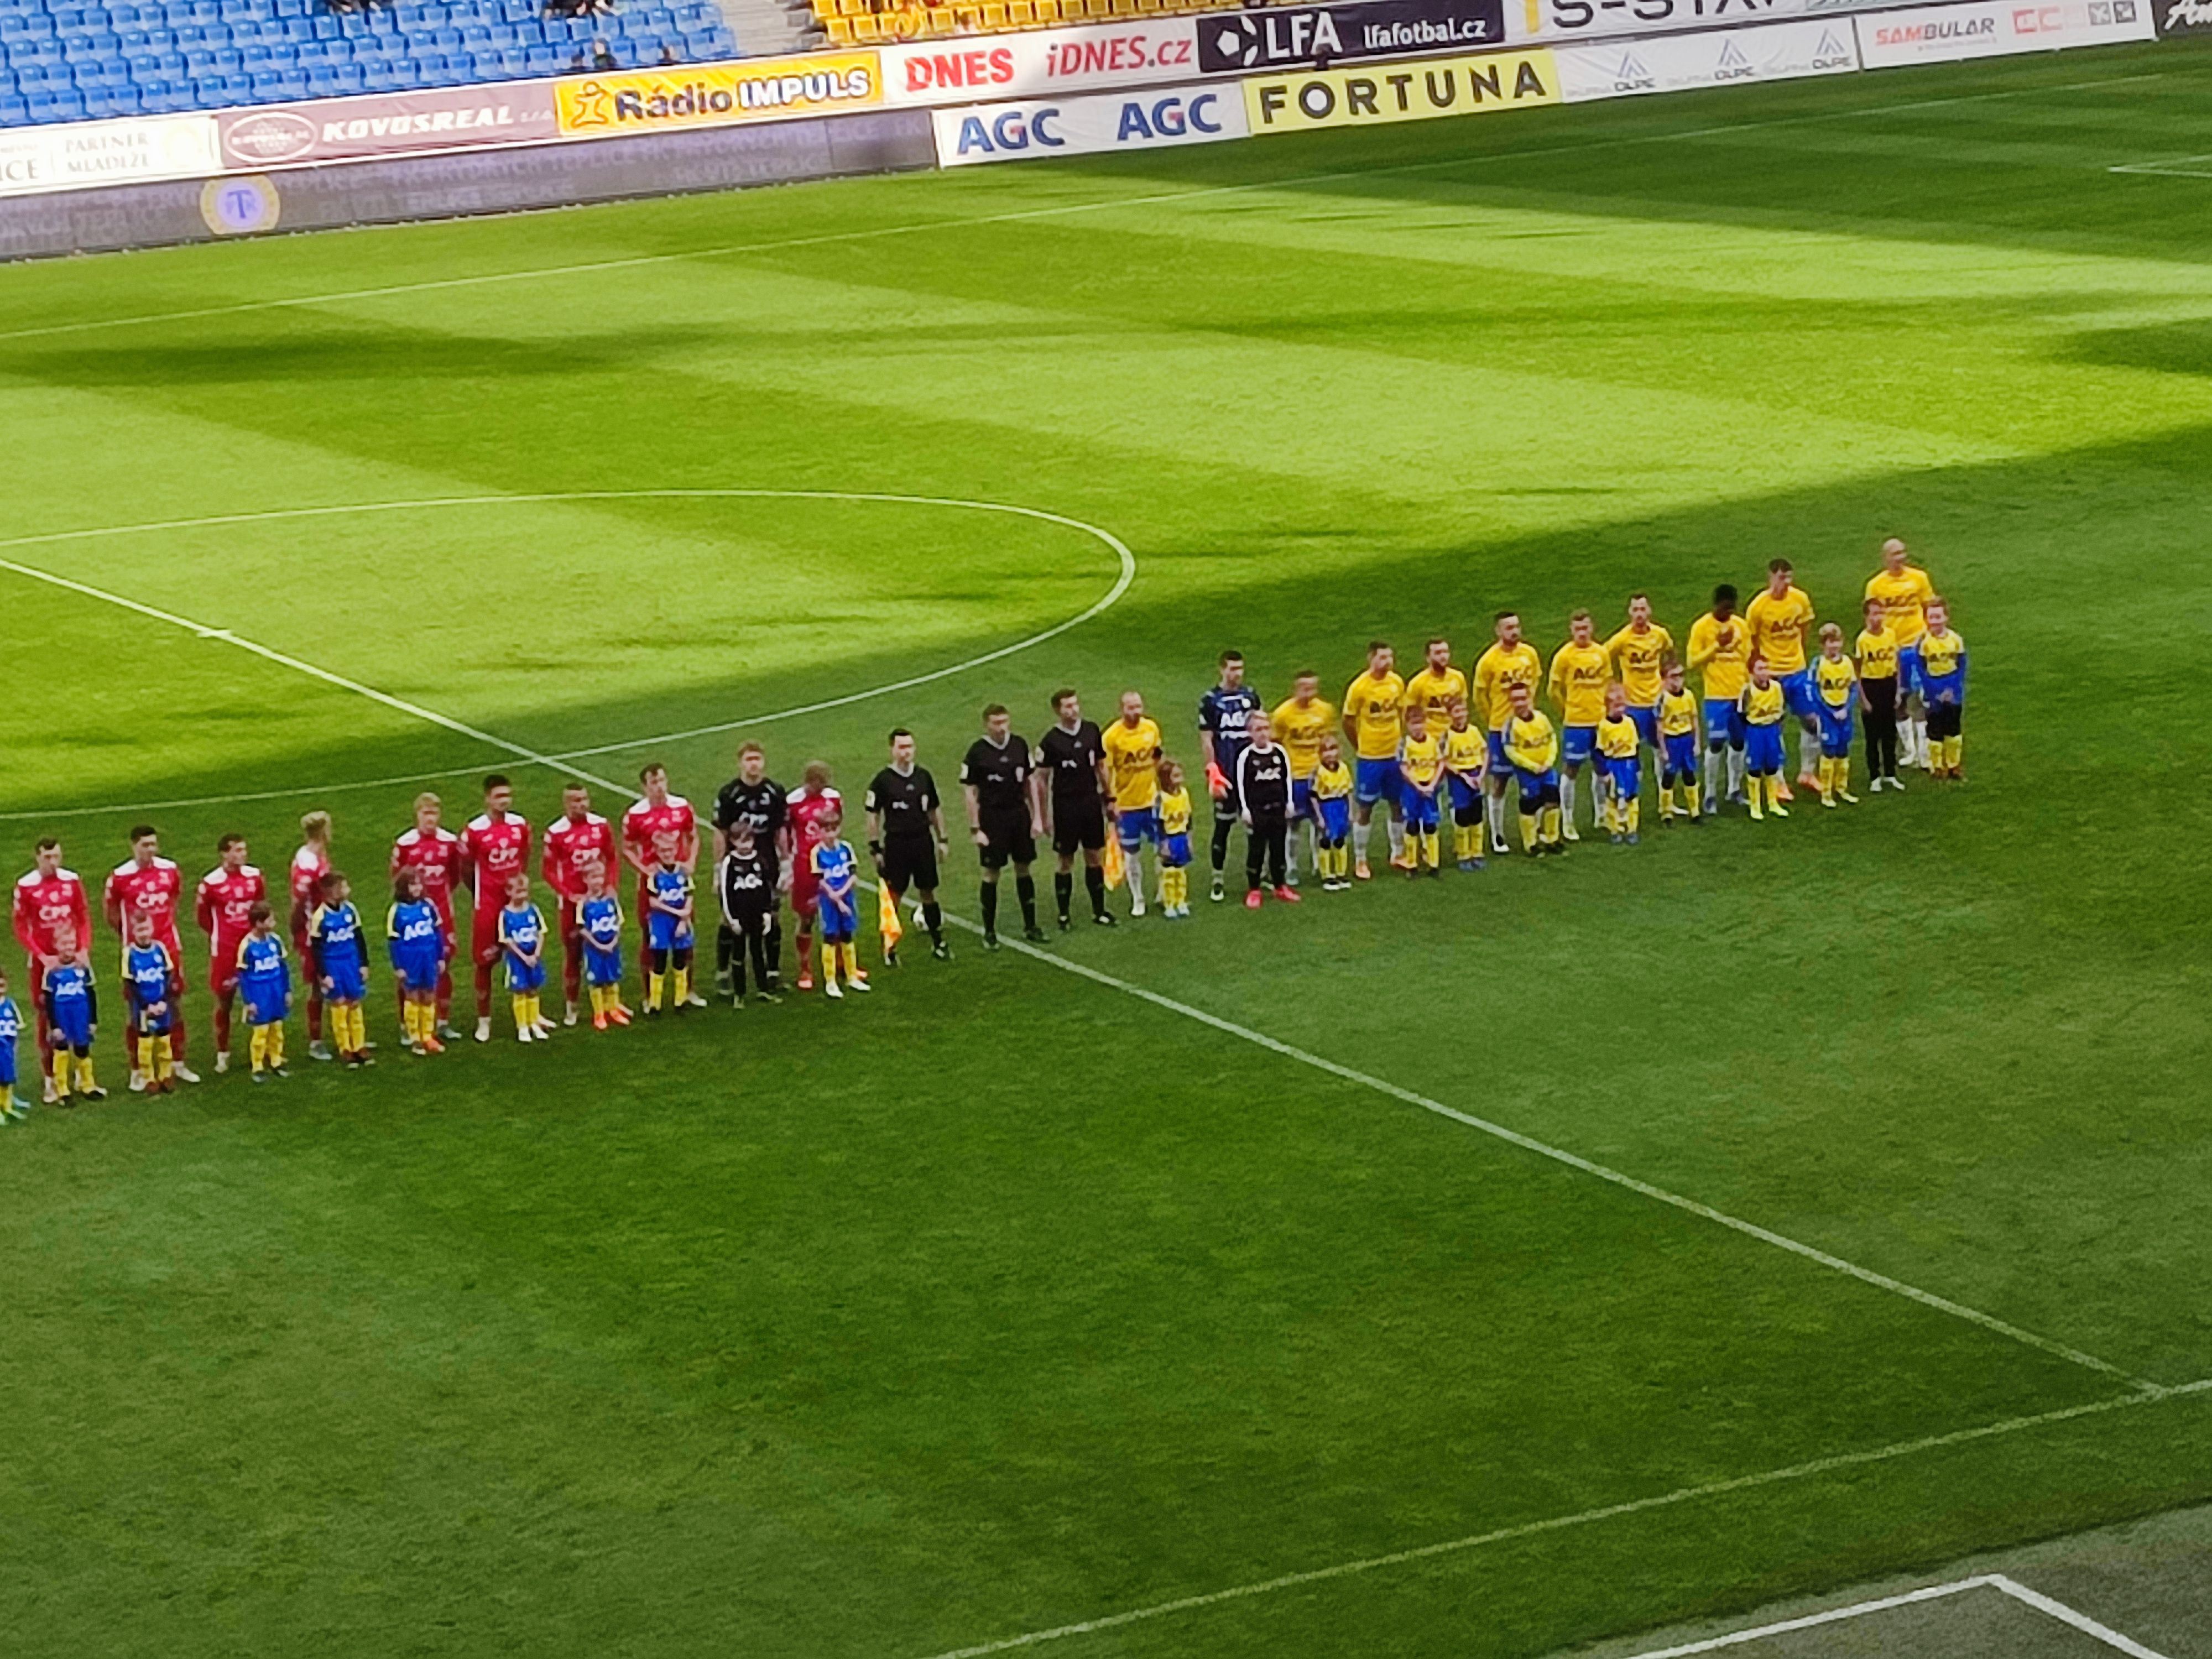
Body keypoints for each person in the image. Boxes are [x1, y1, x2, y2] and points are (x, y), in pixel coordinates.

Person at [104, 824, 198, 1089]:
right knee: (136, 1011)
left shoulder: (169, 870)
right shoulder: (120, 877)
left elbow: (174, 900)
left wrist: (165, 932)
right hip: (136, 955)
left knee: (174, 1004)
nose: (151, 850)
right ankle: (138, 1068)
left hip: (168, 948)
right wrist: (131, 938)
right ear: (134, 846)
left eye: (154, 844)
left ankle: (176, 1063)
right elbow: (111, 913)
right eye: (145, 845)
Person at [15, 838, 92, 1105]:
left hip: (72, 958)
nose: (53, 862)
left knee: (81, 1008)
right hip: (44, 963)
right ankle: (50, 1078)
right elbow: (21, 926)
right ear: (37, 857)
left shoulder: (72, 881)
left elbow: (83, 916)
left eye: (57, 856)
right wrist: (42, 957)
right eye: (48, 857)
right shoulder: (26, 886)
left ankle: (84, 1075)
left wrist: (83, 948)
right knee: (45, 1015)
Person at [962, 706, 1046, 947]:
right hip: (992, 817)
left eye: (1005, 722)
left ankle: (1031, 926)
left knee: (1024, 867)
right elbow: (970, 792)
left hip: (1019, 814)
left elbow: (1031, 782)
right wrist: (976, 828)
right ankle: (989, 931)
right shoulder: (977, 753)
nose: (1001, 727)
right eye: (996, 723)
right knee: (992, 872)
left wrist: (1037, 817)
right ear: (987, 725)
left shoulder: (1019, 745)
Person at [867, 728, 952, 959]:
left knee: (928, 892)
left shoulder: (923, 777)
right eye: (901, 747)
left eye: (910, 747)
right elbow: (873, 815)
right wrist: (875, 847)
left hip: (922, 841)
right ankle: (890, 947)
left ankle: (938, 942)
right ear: (892, 750)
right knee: (895, 895)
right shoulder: (883, 781)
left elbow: (934, 809)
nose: (906, 752)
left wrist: (942, 839)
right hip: (896, 843)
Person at [462, 776, 534, 1042]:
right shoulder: (474, 831)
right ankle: (484, 1020)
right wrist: (479, 891)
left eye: (508, 795)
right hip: (489, 904)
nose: (504, 800)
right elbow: (466, 868)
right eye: (499, 796)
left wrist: (519, 889)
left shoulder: (520, 826)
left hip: (516, 903)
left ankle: (531, 1016)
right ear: (488, 799)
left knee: (527, 954)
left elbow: (525, 856)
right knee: (485, 962)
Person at [712, 744, 787, 998]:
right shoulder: (729, 794)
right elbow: (720, 832)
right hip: (735, 863)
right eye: (748, 759)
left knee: (771, 914)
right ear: (740, 763)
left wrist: (786, 863)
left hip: (766, 861)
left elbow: (780, 830)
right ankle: (723, 972)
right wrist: (718, 868)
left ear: (763, 762)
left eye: (757, 759)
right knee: (730, 917)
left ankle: (772, 972)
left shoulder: (775, 792)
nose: (753, 764)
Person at [1035, 691, 1114, 929]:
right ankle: (1064, 915)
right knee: (1065, 859)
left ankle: (1099, 910)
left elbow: (1101, 766)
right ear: (1058, 711)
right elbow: (1042, 779)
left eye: (1075, 704)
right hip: (1065, 806)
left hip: (1090, 802)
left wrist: (1110, 798)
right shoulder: (1051, 740)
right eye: (1068, 706)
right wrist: (1043, 815)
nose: (1074, 709)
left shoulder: (1091, 730)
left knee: (1094, 856)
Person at [540, 782, 617, 1025]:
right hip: (573, 906)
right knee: (573, 954)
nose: (582, 804)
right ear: (566, 804)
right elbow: (548, 871)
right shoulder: (556, 832)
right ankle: (572, 1006)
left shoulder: (601, 825)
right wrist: (569, 895)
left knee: (608, 947)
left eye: (584, 799)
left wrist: (611, 886)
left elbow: (612, 857)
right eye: (576, 800)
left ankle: (610, 1004)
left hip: (600, 902)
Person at [390, 794, 463, 1039]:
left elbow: (454, 876)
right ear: (417, 815)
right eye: (425, 813)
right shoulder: (405, 844)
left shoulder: (450, 842)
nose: (430, 818)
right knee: (408, 970)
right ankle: (406, 1024)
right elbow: (397, 879)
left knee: (443, 964)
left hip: (441, 910)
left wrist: (436, 901)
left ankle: (441, 1021)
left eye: (434, 813)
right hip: (412, 915)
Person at [1746, 559, 1819, 799]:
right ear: (1771, 577)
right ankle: (1777, 781)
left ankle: (1807, 773)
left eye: (1789, 578)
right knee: (1773, 726)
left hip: (1797, 671)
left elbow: (1804, 629)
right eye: (1781, 578)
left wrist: (1798, 655)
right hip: (1773, 675)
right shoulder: (1758, 607)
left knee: (1812, 722)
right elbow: (1754, 642)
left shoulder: (1800, 599)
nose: (1786, 583)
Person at [1474, 613, 1545, 856]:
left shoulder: (1529, 654)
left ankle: (1534, 832)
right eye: (1508, 628)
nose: (1514, 631)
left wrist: (1529, 708)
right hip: (1500, 730)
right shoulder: (1489, 660)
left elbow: (1535, 680)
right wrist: (1494, 720)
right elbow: (1479, 696)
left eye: (1516, 626)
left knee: (1533, 780)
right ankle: (1497, 834)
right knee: (1500, 782)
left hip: (1526, 728)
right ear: (1498, 631)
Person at [196, 833, 267, 1076]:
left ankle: (264, 1049)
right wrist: (221, 934)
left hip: (253, 949)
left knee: (260, 996)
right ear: (224, 854)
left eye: (244, 849)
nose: (243, 854)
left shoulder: (255, 877)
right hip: (225, 951)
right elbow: (203, 917)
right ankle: (223, 1052)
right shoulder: (210, 883)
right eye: (237, 850)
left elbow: (261, 909)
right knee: (224, 1001)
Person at [1864, 538, 1937, 771]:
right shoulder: (1876, 585)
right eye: (1895, 554)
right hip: (1891, 650)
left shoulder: (1919, 578)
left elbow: (1929, 607)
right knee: (1898, 700)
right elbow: (1872, 616)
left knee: (1920, 699)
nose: (1901, 557)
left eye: (1903, 552)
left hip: (1916, 646)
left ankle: (1925, 753)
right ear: (1885, 557)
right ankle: (1909, 750)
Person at [1198, 651, 1264, 905]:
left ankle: (1256, 877)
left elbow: (1261, 728)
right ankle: (1218, 878)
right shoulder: (1211, 700)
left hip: (1250, 772)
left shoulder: (1251, 696)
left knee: (1255, 826)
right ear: (1222, 669)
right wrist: (1212, 772)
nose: (1237, 674)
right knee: (1223, 826)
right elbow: (1207, 739)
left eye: (1240, 669)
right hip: (1226, 773)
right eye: (1233, 669)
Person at [622, 763, 697, 984]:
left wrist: (690, 861)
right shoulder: (635, 814)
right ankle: (649, 994)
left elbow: (693, 836)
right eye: (654, 782)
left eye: (663, 780)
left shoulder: (682, 807)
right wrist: (645, 870)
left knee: (686, 933)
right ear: (645, 787)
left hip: (679, 881)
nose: (660, 787)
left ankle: (687, 990)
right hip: (652, 885)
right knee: (650, 937)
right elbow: (627, 848)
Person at [1341, 642, 1407, 879]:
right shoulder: (1359, 687)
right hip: (1370, 758)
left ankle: (1398, 853)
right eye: (1382, 657)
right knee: (1366, 808)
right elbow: (1348, 720)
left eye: (1390, 657)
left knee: (1397, 804)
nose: (1387, 662)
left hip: (1394, 755)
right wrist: (1360, 746)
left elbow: (1402, 711)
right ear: (1371, 659)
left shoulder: (1397, 682)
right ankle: (1360, 860)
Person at [1606, 594, 1673, 823]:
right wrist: (1614, 685)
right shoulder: (1622, 639)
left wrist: (1667, 679)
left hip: (1656, 702)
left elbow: (1671, 653)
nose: (1639, 614)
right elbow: (1604, 658)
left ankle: (1666, 802)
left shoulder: (1660, 635)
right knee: (1630, 756)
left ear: (1649, 611)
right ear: (1630, 613)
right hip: (1633, 706)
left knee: (1662, 752)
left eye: (1643, 609)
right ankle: (1627, 802)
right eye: (1635, 610)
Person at [1687, 585, 1753, 815]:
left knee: (1738, 743)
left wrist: (1749, 689)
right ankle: (1710, 794)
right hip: (1716, 697)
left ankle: (1735, 790)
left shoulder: (1740, 626)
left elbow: (1746, 658)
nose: (1729, 613)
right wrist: (1717, 646)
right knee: (1716, 744)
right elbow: (1692, 661)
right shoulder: (1702, 627)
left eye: (1732, 609)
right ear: (1716, 605)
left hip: (1739, 695)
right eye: (1725, 609)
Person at [1547, 611, 1611, 842]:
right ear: (1571, 630)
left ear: (1592, 628)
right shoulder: (1564, 656)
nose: (1582, 633)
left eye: (1585, 628)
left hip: (1600, 721)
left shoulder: (1601, 653)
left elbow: (1607, 683)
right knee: (1571, 769)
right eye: (1578, 629)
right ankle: (1568, 820)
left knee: (1603, 769)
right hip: (1576, 723)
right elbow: (1553, 690)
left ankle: (1602, 815)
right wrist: (1567, 711)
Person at [1269, 671, 1336, 886]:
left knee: (1320, 823)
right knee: (1293, 823)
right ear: (1296, 689)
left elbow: (1328, 741)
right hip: (1295, 775)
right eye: (1305, 688)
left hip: (1319, 775)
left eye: (1313, 688)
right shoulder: (1283, 714)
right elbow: (1275, 743)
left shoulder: (1325, 710)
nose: (1309, 693)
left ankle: (1319, 863)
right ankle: (1292, 866)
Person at [1100, 692, 1162, 921]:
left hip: (1151, 800)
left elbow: (1157, 757)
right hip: (1127, 805)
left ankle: (1163, 890)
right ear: (1122, 709)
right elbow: (1105, 770)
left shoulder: (1151, 728)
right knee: (1131, 854)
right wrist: (1111, 799)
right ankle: (1137, 898)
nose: (1135, 711)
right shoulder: (1112, 737)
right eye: (1130, 708)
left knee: (1161, 848)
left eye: (1138, 706)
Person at [785, 763, 843, 991]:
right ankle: (805, 966)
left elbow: (838, 826)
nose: (822, 787)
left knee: (836, 912)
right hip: (805, 867)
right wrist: (788, 864)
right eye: (817, 783)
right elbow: (786, 834)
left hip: (830, 864)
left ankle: (840, 961)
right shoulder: (793, 802)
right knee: (806, 917)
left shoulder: (834, 798)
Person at [309, 872, 372, 1067]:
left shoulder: (350, 910)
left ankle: (359, 1044)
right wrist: (324, 974)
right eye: (343, 887)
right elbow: (316, 947)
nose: (347, 890)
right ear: (331, 891)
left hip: (351, 962)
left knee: (354, 1001)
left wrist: (364, 964)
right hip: (334, 964)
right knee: (339, 1003)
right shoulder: (320, 916)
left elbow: (359, 938)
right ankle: (345, 1047)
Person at [1235, 711, 1296, 906]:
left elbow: (1287, 779)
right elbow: (1241, 784)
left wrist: (1289, 802)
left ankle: (1280, 886)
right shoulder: (1246, 755)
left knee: (1279, 848)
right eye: (1258, 729)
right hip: (1257, 810)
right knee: (1257, 850)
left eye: (1265, 728)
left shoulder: (1279, 752)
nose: (1263, 733)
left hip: (1278, 809)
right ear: (1250, 733)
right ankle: (1254, 889)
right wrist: (1244, 809)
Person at [716, 823, 780, 1006]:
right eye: (741, 841)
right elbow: (726, 894)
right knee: (738, 955)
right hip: (739, 916)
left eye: (749, 840)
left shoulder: (759, 860)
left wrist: (767, 913)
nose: (745, 845)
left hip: (757, 915)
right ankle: (740, 993)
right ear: (733, 841)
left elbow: (766, 888)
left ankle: (763, 989)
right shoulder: (730, 863)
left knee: (758, 952)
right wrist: (731, 919)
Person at [388, 866, 448, 1054]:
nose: (417, 888)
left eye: (419, 884)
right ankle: (415, 1037)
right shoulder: (397, 911)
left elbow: (438, 933)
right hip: (409, 959)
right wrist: (398, 966)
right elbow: (393, 941)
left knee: (429, 994)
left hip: (428, 957)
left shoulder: (428, 906)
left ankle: (428, 1035)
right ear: (403, 888)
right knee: (413, 996)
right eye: (412, 885)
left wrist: (440, 957)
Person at [810, 805, 867, 999]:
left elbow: (853, 876)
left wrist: (843, 895)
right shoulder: (817, 852)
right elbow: (820, 881)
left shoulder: (846, 849)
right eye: (826, 830)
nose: (831, 834)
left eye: (834, 829)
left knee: (847, 935)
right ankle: (831, 981)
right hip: (829, 901)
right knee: (830, 937)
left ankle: (852, 977)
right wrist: (836, 898)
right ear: (819, 832)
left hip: (847, 896)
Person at [288, 811, 332, 1061]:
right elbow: (299, 901)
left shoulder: (317, 856)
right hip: (312, 931)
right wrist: (297, 929)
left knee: (331, 980)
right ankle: (316, 1042)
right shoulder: (308, 864)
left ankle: (343, 1033)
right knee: (318, 984)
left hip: (326, 926)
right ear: (323, 831)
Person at [1501, 681, 1563, 856]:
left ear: (1530, 698)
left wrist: (1549, 761)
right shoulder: (1510, 725)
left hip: (1547, 768)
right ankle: (1531, 844)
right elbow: (1510, 751)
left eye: (1523, 698)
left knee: (1553, 801)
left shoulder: (1542, 718)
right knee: (1530, 806)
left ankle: (1553, 839)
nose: (1520, 703)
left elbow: (1552, 739)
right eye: (1515, 700)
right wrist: (1532, 766)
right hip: (1528, 773)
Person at [43, 923, 101, 1104]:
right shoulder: (52, 971)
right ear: (56, 946)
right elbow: (49, 1000)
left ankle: (88, 1085)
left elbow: (91, 994)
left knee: (83, 1049)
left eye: (72, 943)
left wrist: (93, 1020)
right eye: (64, 944)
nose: (69, 948)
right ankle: (63, 1089)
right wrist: (54, 1026)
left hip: (81, 1015)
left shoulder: (83, 967)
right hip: (62, 1017)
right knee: (61, 1050)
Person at [121, 912, 178, 1095]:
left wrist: (163, 1000)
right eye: (139, 930)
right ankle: (149, 1078)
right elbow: (131, 984)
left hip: (162, 1003)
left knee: (164, 1040)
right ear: (133, 932)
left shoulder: (160, 949)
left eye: (146, 929)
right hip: (143, 1007)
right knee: (145, 1043)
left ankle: (166, 1075)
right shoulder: (129, 954)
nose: (144, 934)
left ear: (152, 929)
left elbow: (169, 976)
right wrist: (146, 1006)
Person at [643, 834, 697, 1015]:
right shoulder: (654, 875)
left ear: (676, 850)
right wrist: (678, 913)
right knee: (659, 961)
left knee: (681, 960)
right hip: (661, 921)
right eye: (663, 851)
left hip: (680, 922)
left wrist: (683, 920)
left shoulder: (683, 872)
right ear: (657, 852)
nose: (667, 854)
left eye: (670, 850)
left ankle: (680, 1001)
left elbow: (689, 896)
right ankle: (655, 1003)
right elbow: (654, 902)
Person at [236, 901, 291, 1082]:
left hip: (276, 989)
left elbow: (284, 968)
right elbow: (243, 976)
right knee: (261, 1031)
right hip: (259, 993)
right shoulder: (247, 946)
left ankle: (276, 1060)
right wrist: (249, 1001)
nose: (274, 922)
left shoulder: (275, 941)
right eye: (270, 920)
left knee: (277, 1028)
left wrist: (287, 991)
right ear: (259, 923)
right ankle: (258, 1065)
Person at [1856, 598, 1903, 792]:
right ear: (1867, 616)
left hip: (1888, 684)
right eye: (1874, 614)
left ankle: (1891, 774)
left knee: (1889, 733)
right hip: (1871, 686)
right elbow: (1857, 672)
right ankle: (1875, 775)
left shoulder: (1891, 635)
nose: (1878, 618)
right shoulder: (1863, 640)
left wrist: (1898, 690)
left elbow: (1897, 663)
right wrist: (1864, 699)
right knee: (1872, 736)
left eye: (1881, 613)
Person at [498, 874, 552, 1042]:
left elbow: (541, 933)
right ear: (509, 892)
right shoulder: (505, 915)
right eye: (518, 892)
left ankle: (534, 1023)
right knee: (520, 990)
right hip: (517, 960)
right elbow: (507, 940)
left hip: (533, 957)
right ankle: (522, 1027)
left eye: (524, 891)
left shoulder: (533, 910)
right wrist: (523, 956)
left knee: (533, 989)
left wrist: (536, 954)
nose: (522, 895)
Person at [1918, 598, 1968, 779]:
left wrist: (1953, 689)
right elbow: (1922, 670)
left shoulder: (1955, 640)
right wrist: (1935, 693)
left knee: (1953, 728)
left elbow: (1961, 666)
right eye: (1932, 617)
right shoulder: (1924, 643)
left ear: (1946, 618)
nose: (1936, 621)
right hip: (1934, 689)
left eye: (1939, 616)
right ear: (1926, 620)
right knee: (1935, 730)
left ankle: (1954, 765)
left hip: (1952, 688)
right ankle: (1937, 766)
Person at [577, 862, 630, 1029]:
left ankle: (613, 1010)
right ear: (586, 880)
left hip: (612, 947)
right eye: (593, 877)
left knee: (613, 978)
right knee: (596, 981)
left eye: (600, 877)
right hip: (594, 949)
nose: (598, 881)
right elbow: (582, 929)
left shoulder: (611, 901)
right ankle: (599, 1014)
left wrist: (614, 942)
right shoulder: (583, 904)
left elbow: (619, 923)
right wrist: (598, 944)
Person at [1813, 623, 1860, 807]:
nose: (1834, 646)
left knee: (1843, 750)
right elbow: (1814, 692)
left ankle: (1842, 788)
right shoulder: (1819, 664)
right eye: (1829, 642)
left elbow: (1853, 688)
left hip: (1844, 713)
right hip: (1828, 715)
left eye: (1837, 642)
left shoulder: (1847, 662)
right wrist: (1831, 712)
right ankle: (1826, 793)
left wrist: (1846, 709)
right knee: (1829, 751)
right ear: (1823, 645)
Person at [1396, 702, 1444, 877]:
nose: (1418, 727)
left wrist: (1432, 784)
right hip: (1412, 789)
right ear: (1407, 725)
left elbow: (1440, 763)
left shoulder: (1432, 742)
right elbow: (1404, 768)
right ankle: (1412, 865)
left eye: (1420, 723)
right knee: (1412, 825)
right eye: (1413, 724)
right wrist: (1418, 786)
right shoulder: (1405, 744)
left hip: (1430, 787)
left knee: (1431, 825)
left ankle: (1434, 864)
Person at [1740, 655, 1790, 820]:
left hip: (1772, 730)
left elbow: (1782, 709)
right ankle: (1755, 806)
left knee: (1772, 766)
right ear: (1752, 673)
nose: (1765, 672)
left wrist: (1777, 727)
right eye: (1760, 669)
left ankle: (1773, 803)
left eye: (1767, 668)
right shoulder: (1748, 691)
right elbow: (1741, 713)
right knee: (1755, 768)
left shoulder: (1776, 687)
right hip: (1756, 731)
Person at [1442, 697, 1488, 871]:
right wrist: (1463, 776)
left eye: (1463, 711)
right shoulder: (1448, 736)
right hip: (1460, 779)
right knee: (1463, 816)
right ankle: (1464, 854)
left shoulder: (1474, 731)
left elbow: (1485, 753)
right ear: (1450, 715)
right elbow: (1444, 761)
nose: (1460, 715)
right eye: (1456, 712)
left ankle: (1477, 853)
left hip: (1476, 775)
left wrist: (1482, 775)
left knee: (1477, 815)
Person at [1655, 661, 1703, 825]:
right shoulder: (1663, 699)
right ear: (1665, 680)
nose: (1677, 680)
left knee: (1689, 775)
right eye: (1673, 677)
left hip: (1686, 739)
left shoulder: (1689, 696)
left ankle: (1695, 811)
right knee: (1669, 776)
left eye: (1680, 676)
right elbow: (1660, 727)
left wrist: (1697, 743)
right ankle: (1666, 811)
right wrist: (1664, 750)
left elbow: (1694, 720)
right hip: (1671, 740)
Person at [1403, 638, 1469, 754]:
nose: (1443, 656)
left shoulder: (1458, 677)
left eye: (1445, 652)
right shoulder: (1418, 683)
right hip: (1431, 740)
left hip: (1454, 738)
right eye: (1438, 653)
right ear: (1428, 658)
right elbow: (1410, 714)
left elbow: (1462, 706)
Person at [1596, 686, 1642, 844]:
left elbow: (1636, 747)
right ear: (1607, 706)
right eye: (1616, 706)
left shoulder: (1629, 722)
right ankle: (1615, 829)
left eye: (1622, 705)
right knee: (1613, 798)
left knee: (1631, 796)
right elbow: (1600, 752)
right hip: (1614, 764)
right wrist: (1604, 773)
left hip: (1629, 763)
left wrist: (1638, 768)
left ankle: (1632, 828)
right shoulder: (1604, 726)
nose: (1620, 709)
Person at [1311, 736, 1354, 891]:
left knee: (1340, 840)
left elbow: (1348, 792)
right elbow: (1314, 796)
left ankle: (1341, 873)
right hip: (1327, 806)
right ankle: (1327, 875)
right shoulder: (1319, 772)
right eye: (1326, 751)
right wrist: (1320, 817)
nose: (1330, 754)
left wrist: (1350, 812)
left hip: (1340, 806)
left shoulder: (1344, 768)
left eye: (1333, 749)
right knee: (1326, 840)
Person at [1156, 760, 1194, 918]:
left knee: (1181, 873)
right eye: (1175, 776)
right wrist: (1163, 844)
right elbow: (1159, 823)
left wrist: (1190, 839)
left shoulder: (1184, 794)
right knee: (1170, 874)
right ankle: (1169, 903)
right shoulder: (1162, 798)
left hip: (1181, 836)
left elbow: (1189, 818)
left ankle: (1181, 901)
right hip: (1170, 838)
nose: (1180, 779)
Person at [0, 967, 22, 1121]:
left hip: (7, 1049)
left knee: (7, 1078)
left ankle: (7, 1106)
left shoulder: (10, 1004)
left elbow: (16, 1028)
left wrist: (15, 1046)